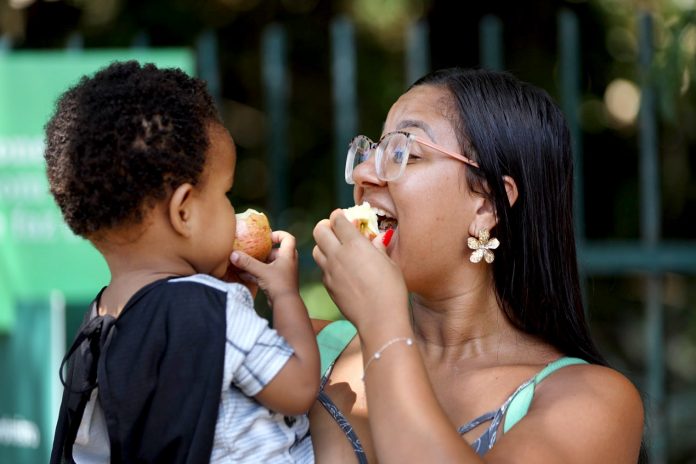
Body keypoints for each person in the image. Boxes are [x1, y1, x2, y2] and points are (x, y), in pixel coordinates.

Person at [310, 67, 645, 463]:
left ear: (486, 205)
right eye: (373, 152)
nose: (365, 174)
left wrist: (382, 325)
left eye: (405, 153)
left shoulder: (592, 401)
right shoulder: (302, 350)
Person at [46, 61, 319, 463]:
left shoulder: (99, 323)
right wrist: (285, 295)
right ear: (184, 212)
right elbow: (298, 389)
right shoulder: (213, 308)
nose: (232, 207)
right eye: (225, 193)